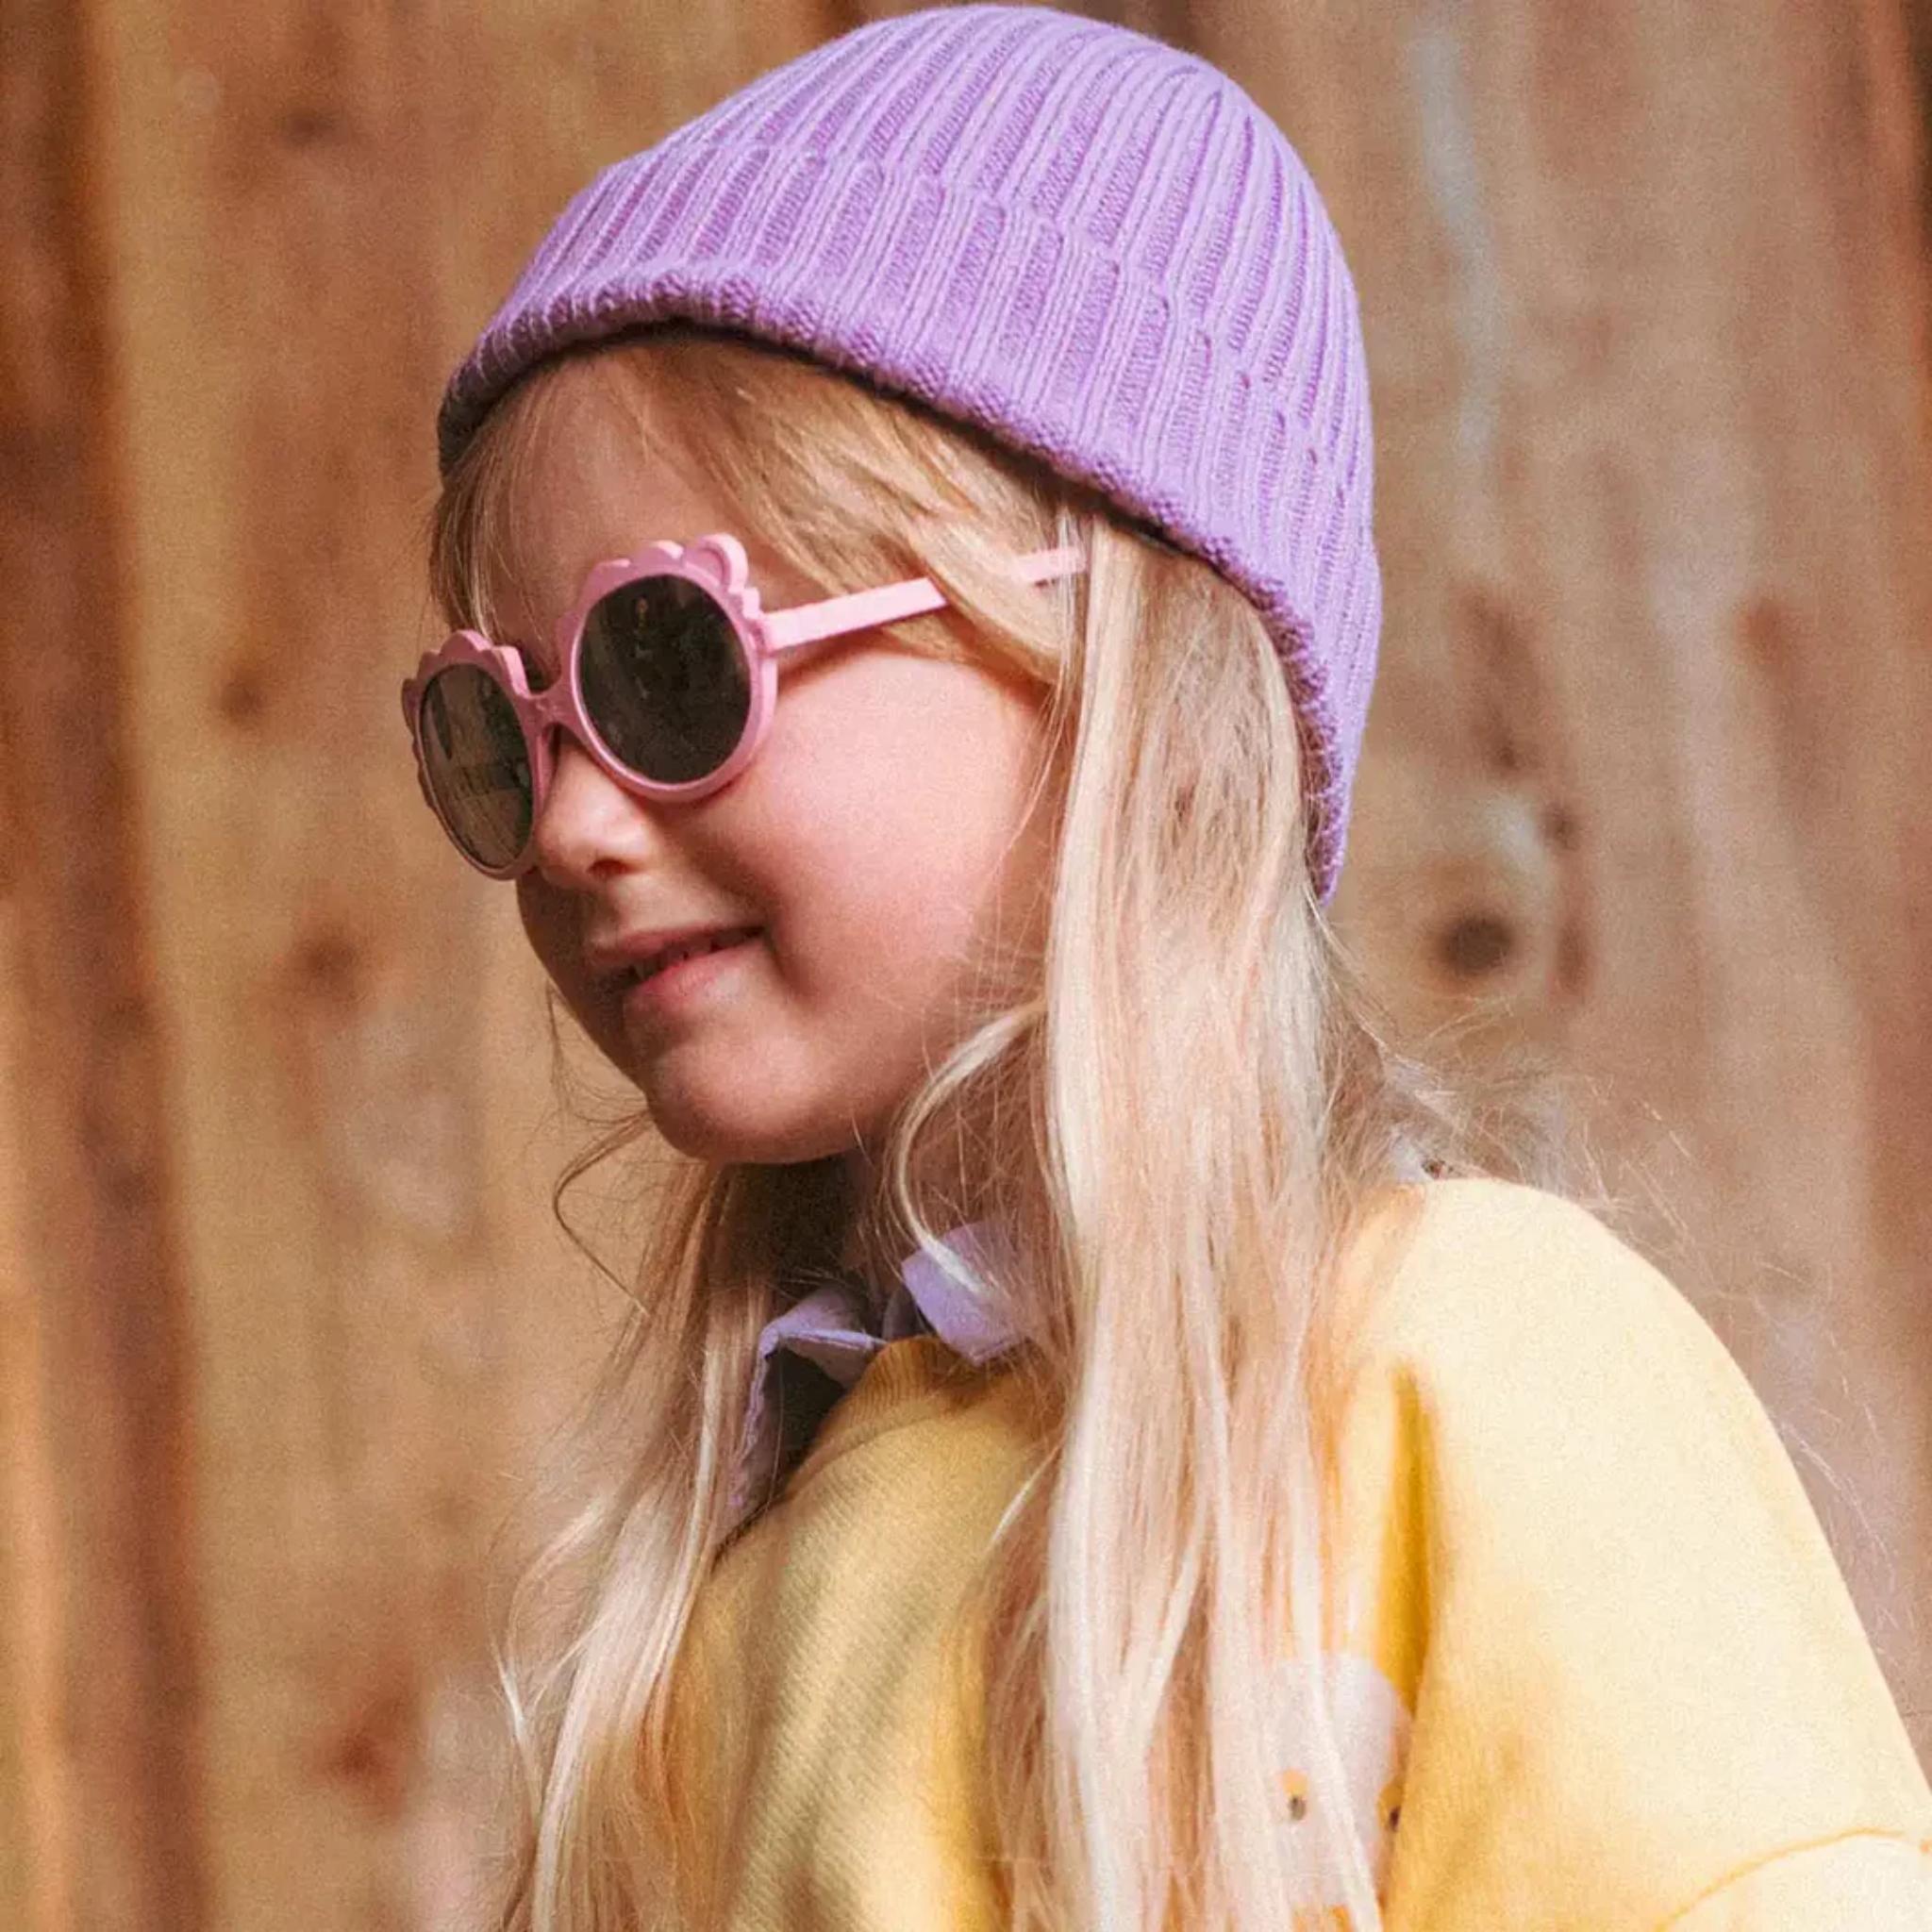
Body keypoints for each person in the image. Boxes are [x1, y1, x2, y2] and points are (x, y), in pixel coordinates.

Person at [400, 7, 1932, 1927]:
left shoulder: (1468, 1375)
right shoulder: (706, 1636)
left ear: (1116, 677)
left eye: (670, 664)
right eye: (499, 732)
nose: (567, 827)